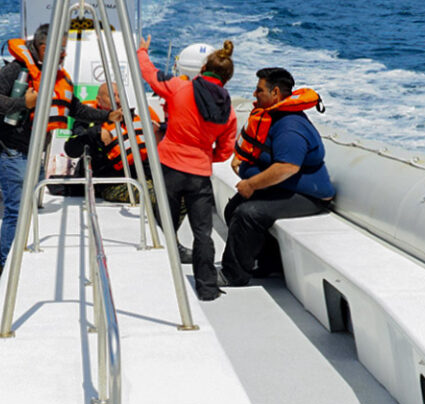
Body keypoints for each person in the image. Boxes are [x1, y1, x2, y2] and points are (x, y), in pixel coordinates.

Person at [0, 25, 106, 273]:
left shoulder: (56, 76)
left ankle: (18, 258)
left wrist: (107, 116)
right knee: (17, 210)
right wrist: (23, 102)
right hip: (10, 150)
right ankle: (6, 266)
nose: (64, 55)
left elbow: (76, 109)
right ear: (44, 48)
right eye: (61, 50)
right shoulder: (16, 70)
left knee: (27, 208)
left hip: (33, 152)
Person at [137, 38, 237, 299]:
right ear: (227, 79)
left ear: (203, 69)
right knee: (202, 233)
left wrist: (142, 50)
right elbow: (226, 150)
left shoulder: (179, 88)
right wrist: (204, 156)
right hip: (199, 174)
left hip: (169, 168)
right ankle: (207, 288)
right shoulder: (228, 110)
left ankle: (160, 282)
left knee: (164, 226)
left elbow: (149, 74)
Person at [222, 66, 333, 288]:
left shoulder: (290, 126)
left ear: (275, 93)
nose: (254, 94)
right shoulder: (273, 117)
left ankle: (233, 275)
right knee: (233, 208)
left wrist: (251, 184)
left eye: (259, 90)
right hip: (284, 188)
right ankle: (269, 263)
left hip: (309, 197)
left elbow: (287, 167)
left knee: (247, 214)